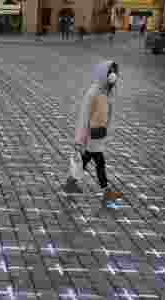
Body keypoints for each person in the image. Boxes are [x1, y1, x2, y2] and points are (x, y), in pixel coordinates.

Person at [72, 60, 124, 203]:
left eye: (114, 72)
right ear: (103, 74)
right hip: (91, 134)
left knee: (85, 159)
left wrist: (108, 129)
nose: (113, 75)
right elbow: (84, 115)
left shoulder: (108, 92)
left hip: (99, 134)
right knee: (99, 162)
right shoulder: (93, 92)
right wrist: (80, 139)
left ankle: (71, 182)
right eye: (110, 72)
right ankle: (106, 191)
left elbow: (108, 114)